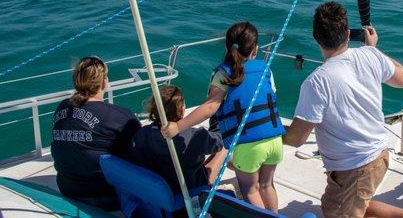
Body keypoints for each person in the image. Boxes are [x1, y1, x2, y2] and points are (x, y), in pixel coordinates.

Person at [283, 2, 403, 218]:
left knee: (335, 212)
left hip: (356, 168)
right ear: (348, 34)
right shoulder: (370, 55)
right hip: (379, 154)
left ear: (315, 37)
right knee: (353, 204)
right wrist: (373, 49)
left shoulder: (316, 82)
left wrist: (274, 134)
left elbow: (296, 139)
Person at [162, 22, 285, 212]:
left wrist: (178, 127)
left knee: (250, 190)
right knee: (267, 185)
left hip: (249, 145)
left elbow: (211, 106)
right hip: (275, 140)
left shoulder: (223, 74)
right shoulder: (265, 69)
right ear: (256, 49)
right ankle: (275, 215)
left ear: (228, 47)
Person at [51, 56, 141, 210]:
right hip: (107, 197)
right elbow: (141, 150)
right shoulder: (119, 116)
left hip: (67, 188)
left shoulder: (62, 107)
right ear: (104, 82)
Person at [129, 85, 226, 193]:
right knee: (224, 149)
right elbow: (220, 142)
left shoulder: (142, 134)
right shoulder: (196, 136)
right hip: (190, 190)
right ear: (182, 109)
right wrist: (216, 118)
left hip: (161, 189)